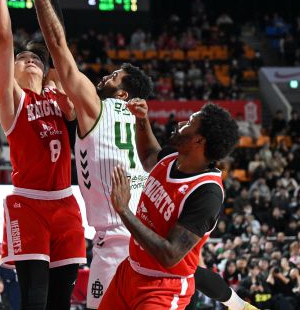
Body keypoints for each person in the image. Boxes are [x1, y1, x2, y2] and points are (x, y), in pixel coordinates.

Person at [13, 0, 254, 310]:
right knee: (188, 268)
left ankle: (235, 302)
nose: (103, 78)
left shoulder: (96, 109)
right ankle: (237, 303)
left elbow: (59, 48)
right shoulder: (136, 122)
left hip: (120, 237)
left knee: (179, 269)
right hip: (142, 233)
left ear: (122, 93)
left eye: (112, 77)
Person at [0, 0, 85, 310]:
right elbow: (3, 38)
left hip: (66, 202)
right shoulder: (12, 98)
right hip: (28, 204)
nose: (30, 60)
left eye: (35, 59)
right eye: (22, 58)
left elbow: (58, 39)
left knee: (61, 301)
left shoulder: (56, 92)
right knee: (35, 298)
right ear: (11, 70)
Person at [100, 102, 240, 309]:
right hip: (130, 272)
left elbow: (170, 255)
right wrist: (141, 119)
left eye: (189, 122)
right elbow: (149, 155)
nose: (181, 124)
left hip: (164, 289)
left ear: (199, 140)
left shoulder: (207, 193)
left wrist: (124, 210)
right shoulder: (173, 158)